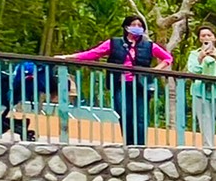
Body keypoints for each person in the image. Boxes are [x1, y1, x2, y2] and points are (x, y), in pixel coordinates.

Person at [66, 14, 171, 146]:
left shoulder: (149, 46)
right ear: (126, 27)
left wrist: (155, 70)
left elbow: (167, 58)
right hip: (121, 83)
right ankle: (129, 143)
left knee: (140, 116)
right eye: (133, 25)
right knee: (124, 113)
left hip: (140, 85)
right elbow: (94, 53)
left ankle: (140, 145)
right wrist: (70, 57)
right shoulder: (114, 43)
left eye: (139, 25)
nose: (136, 28)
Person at [184, 24, 216, 149]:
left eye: (209, 35)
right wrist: (200, 58)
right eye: (203, 36)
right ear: (199, 39)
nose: (206, 37)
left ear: (214, 38)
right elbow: (192, 71)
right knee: (205, 121)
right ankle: (208, 147)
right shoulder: (194, 54)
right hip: (200, 91)